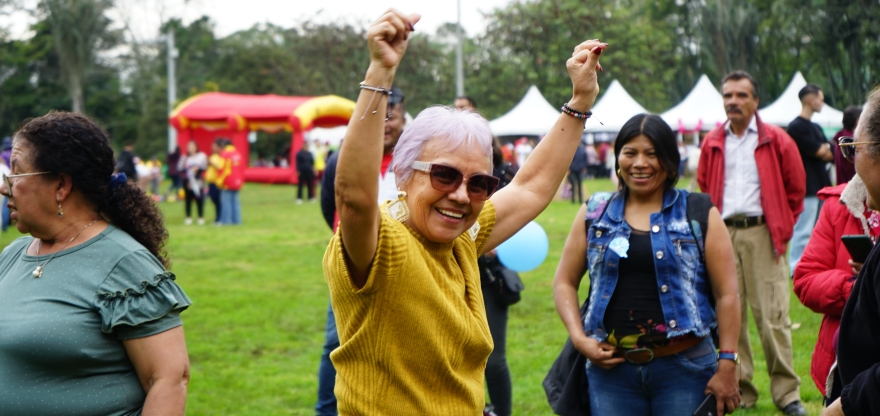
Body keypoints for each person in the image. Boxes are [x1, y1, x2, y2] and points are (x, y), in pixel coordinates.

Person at [324, 9, 605, 414]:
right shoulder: (382, 243)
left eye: (479, 184)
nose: (460, 196)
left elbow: (529, 188)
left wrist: (580, 101)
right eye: (443, 175)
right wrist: (381, 72)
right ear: (404, 175)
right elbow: (352, 197)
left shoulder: (463, 238)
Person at [0, 111, 191, 414]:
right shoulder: (12, 255)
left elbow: (168, 380)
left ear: (61, 186)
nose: (4, 187)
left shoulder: (126, 263)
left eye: (16, 173)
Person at [554, 114, 741, 416]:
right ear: (618, 159)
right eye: (630, 153)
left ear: (669, 161)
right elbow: (564, 281)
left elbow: (727, 294)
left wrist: (728, 361)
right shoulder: (594, 212)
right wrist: (579, 339)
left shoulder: (698, 211)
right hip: (611, 375)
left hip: (686, 368)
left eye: (652, 153)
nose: (640, 163)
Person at [697, 70, 807, 416]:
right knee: (731, 316)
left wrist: (781, 227)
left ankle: (787, 394)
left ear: (755, 101)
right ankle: (740, 390)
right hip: (722, 234)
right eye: (728, 95)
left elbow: (796, 189)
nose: (733, 101)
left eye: (741, 95)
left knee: (773, 315)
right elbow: (702, 185)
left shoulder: (777, 139)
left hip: (764, 234)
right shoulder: (712, 142)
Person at [316, 84, 406, 416]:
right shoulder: (344, 158)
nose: (385, 123)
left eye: (391, 117)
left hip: (400, 264)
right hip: (352, 266)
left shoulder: (412, 158)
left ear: (401, 117)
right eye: (377, 116)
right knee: (334, 343)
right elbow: (332, 205)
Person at [794, 173, 878, 399]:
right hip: (844, 365)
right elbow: (806, 280)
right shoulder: (839, 203)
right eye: (850, 149)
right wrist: (857, 289)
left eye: (855, 148)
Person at [788, 84, 833, 272]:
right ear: (811, 100)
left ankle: (813, 264)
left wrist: (825, 149)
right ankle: (795, 267)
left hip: (822, 185)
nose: (823, 103)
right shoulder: (796, 127)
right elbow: (821, 150)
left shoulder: (815, 126)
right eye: (821, 99)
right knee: (804, 229)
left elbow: (830, 153)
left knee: (820, 230)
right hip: (806, 186)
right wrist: (824, 148)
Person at [216, 139, 244, 225]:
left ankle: (227, 222)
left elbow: (221, 169)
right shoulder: (238, 154)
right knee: (235, 202)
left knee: (226, 202)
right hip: (238, 182)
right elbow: (242, 169)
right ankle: (237, 221)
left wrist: (219, 182)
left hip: (227, 182)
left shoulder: (224, 154)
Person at [179, 141, 207, 225]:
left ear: (196, 147)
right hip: (187, 181)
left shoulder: (201, 156)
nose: (190, 148)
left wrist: (197, 169)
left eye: (192, 146)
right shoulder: (184, 158)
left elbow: (204, 167)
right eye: (189, 146)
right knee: (188, 199)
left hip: (197, 180)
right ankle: (188, 217)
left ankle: (200, 217)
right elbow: (180, 169)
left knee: (199, 198)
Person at [833, 106, 863, 184]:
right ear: (857, 121)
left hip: (842, 185)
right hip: (852, 187)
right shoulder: (852, 141)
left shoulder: (841, 137)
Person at [205, 139, 224, 225]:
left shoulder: (222, 157)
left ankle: (220, 218)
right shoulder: (213, 156)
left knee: (218, 201)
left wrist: (211, 163)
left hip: (217, 183)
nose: (213, 148)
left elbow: (220, 168)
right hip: (211, 183)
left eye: (214, 146)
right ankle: (217, 218)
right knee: (213, 199)